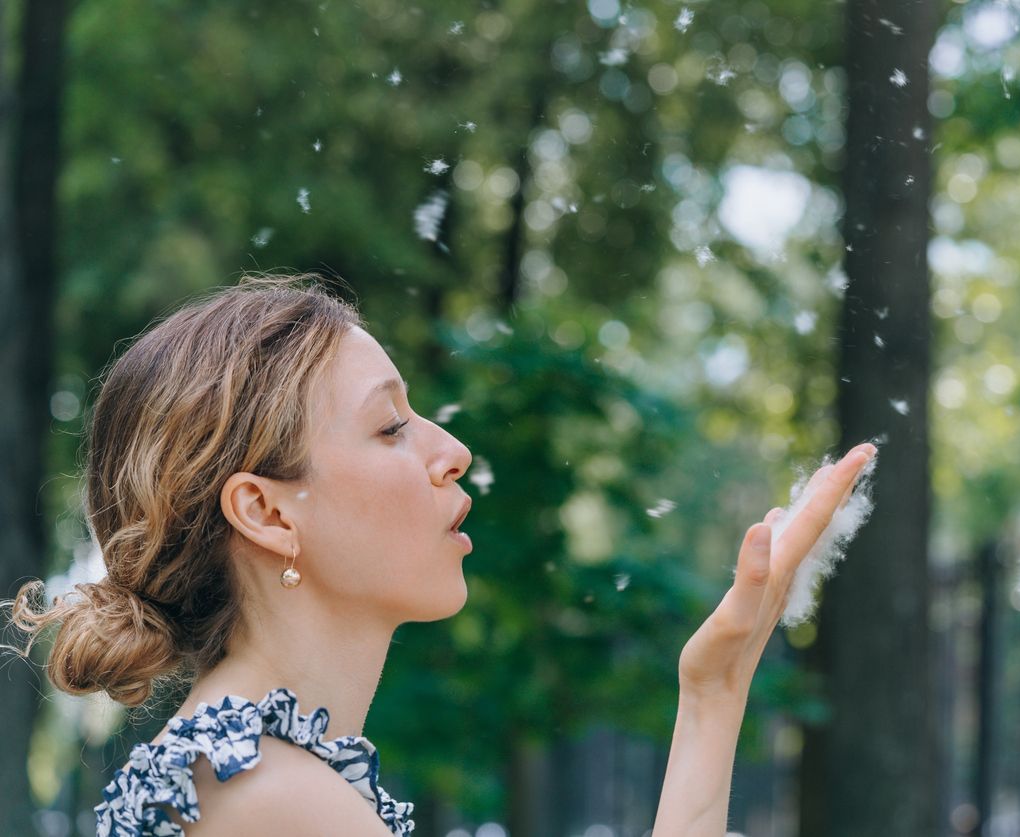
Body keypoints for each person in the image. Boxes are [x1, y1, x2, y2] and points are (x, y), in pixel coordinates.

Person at [2, 272, 875, 836]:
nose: (449, 447)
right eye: (389, 425)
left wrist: (714, 688)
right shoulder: (270, 800)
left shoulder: (236, 774)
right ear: (264, 510)